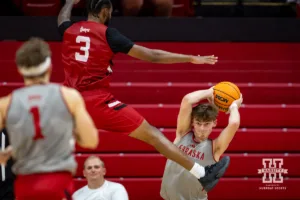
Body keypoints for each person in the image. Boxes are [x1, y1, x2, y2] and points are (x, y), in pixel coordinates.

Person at [57, 0, 227, 192]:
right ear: (104, 11)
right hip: (96, 102)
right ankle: (201, 174)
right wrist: (190, 58)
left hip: (68, 103)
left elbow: (62, 18)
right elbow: (153, 55)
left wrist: (70, 2)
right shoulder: (108, 34)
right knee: (154, 135)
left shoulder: (68, 29)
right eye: (110, 12)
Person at [0, 37, 99, 200]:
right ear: (50, 68)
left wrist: (11, 151)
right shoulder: (69, 97)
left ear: (20, 70)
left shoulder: (6, 104)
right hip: (57, 184)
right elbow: (90, 141)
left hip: (25, 187)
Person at [160, 87, 243, 200]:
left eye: (206, 124)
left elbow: (234, 123)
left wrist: (233, 106)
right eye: (198, 123)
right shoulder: (182, 134)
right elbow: (187, 99)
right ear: (193, 121)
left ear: (214, 123)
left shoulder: (215, 147)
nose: (202, 128)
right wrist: (211, 91)